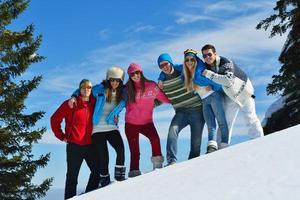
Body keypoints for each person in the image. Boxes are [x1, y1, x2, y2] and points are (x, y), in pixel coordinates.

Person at [69, 67, 127, 188]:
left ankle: (119, 177)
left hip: (111, 126)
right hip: (97, 128)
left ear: (121, 81)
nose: (115, 83)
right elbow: (82, 90)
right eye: (112, 80)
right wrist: (74, 96)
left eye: (118, 80)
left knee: (120, 149)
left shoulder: (123, 93)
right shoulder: (99, 89)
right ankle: (104, 179)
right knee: (103, 155)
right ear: (108, 79)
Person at [201, 44, 264, 145]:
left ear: (215, 53)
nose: (207, 57)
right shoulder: (207, 66)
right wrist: (212, 86)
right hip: (230, 95)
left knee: (250, 117)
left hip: (244, 92)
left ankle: (259, 142)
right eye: (204, 56)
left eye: (209, 54)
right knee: (225, 122)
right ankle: (222, 147)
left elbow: (228, 80)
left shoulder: (225, 62)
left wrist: (209, 74)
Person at [50, 79, 100, 199]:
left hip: (90, 145)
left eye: (89, 88)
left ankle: (89, 196)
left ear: (91, 89)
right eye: (83, 88)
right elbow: (54, 119)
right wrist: (61, 136)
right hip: (74, 146)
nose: (86, 90)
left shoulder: (96, 102)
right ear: (79, 89)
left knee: (97, 171)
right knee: (72, 177)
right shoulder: (70, 103)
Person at [157, 53, 205, 165]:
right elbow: (160, 99)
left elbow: (192, 67)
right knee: (172, 131)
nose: (164, 67)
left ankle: (191, 166)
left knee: (196, 144)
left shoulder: (183, 72)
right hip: (181, 112)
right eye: (161, 66)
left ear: (171, 62)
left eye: (166, 64)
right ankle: (171, 161)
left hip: (197, 110)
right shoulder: (162, 83)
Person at [125, 63, 171, 177]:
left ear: (141, 72)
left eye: (137, 72)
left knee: (155, 140)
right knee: (135, 151)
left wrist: (178, 101)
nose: (135, 75)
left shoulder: (151, 86)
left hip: (147, 123)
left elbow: (165, 98)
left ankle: (158, 168)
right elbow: (116, 102)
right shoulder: (126, 89)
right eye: (132, 74)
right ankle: (134, 173)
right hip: (131, 124)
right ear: (129, 76)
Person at [182, 49, 229, 152]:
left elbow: (215, 80)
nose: (189, 62)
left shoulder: (201, 70)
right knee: (210, 124)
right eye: (187, 60)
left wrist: (213, 87)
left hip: (214, 96)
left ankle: (225, 145)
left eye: (192, 60)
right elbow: (174, 68)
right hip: (204, 100)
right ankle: (212, 146)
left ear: (196, 60)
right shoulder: (187, 74)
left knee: (221, 122)